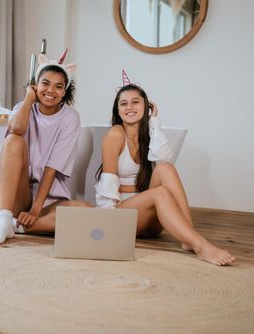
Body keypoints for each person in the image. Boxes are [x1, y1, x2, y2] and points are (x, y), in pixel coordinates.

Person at [95, 70, 234, 266]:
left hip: (147, 219)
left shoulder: (148, 134)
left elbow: (162, 159)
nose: (129, 107)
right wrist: (109, 224)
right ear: (117, 110)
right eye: (123, 103)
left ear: (147, 106)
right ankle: (201, 246)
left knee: (165, 169)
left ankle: (189, 238)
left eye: (135, 102)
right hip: (120, 216)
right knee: (160, 193)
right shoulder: (115, 134)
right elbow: (108, 185)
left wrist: (154, 122)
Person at [0, 49, 91, 245]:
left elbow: (52, 166)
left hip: (49, 200)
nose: (51, 90)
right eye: (45, 83)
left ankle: (11, 226)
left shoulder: (70, 118)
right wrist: (28, 99)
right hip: (18, 195)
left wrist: (36, 209)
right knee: (13, 140)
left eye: (59, 86)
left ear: (65, 92)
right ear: (35, 85)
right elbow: (16, 128)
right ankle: (6, 217)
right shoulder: (22, 108)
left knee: (85, 211)